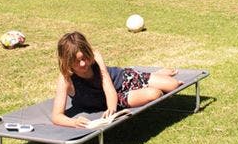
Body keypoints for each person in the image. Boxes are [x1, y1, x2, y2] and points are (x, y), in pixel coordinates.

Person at [51, 31, 181, 128]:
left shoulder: (96, 58)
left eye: (84, 58)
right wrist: (73, 122)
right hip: (116, 98)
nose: (83, 64)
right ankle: (150, 80)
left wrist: (112, 109)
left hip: (121, 81)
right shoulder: (66, 79)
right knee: (155, 93)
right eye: (76, 61)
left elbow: (107, 85)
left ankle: (155, 74)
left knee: (173, 85)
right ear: (66, 61)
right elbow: (56, 116)